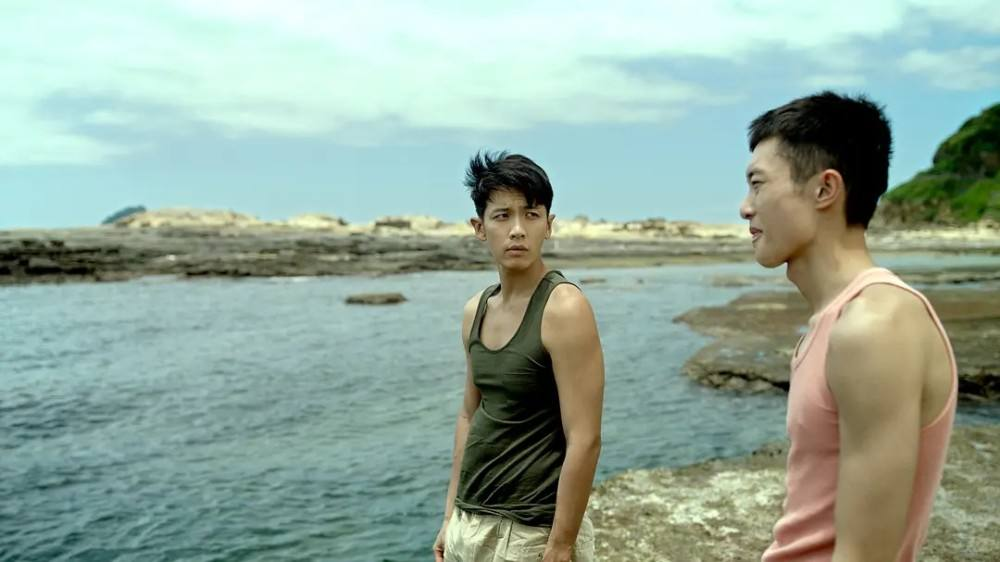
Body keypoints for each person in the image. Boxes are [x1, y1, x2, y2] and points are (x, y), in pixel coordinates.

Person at [741, 92, 957, 562]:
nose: (745, 207)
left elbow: (866, 553)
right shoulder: (839, 319)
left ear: (825, 189)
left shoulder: (875, 325)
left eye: (757, 185)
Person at [433, 151, 605, 562]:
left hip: (530, 531)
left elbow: (585, 438)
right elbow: (469, 414)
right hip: (470, 521)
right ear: (479, 227)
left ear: (549, 224)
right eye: (502, 216)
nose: (517, 230)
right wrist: (450, 516)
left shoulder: (564, 308)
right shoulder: (475, 310)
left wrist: (561, 544)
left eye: (530, 215)